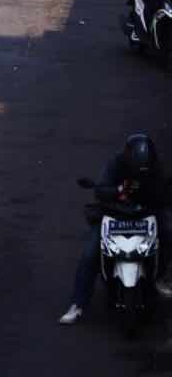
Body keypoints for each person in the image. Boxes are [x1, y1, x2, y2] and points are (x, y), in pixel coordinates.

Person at [59, 134, 172, 325]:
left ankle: (161, 277)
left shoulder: (155, 166)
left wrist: (152, 195)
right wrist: (120, 190)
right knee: (90, 254)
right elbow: (101, 189)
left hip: (145, 213)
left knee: (167, 236)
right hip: (114, 214)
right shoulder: (115, 163)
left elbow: (163, 193)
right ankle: (77, 303)